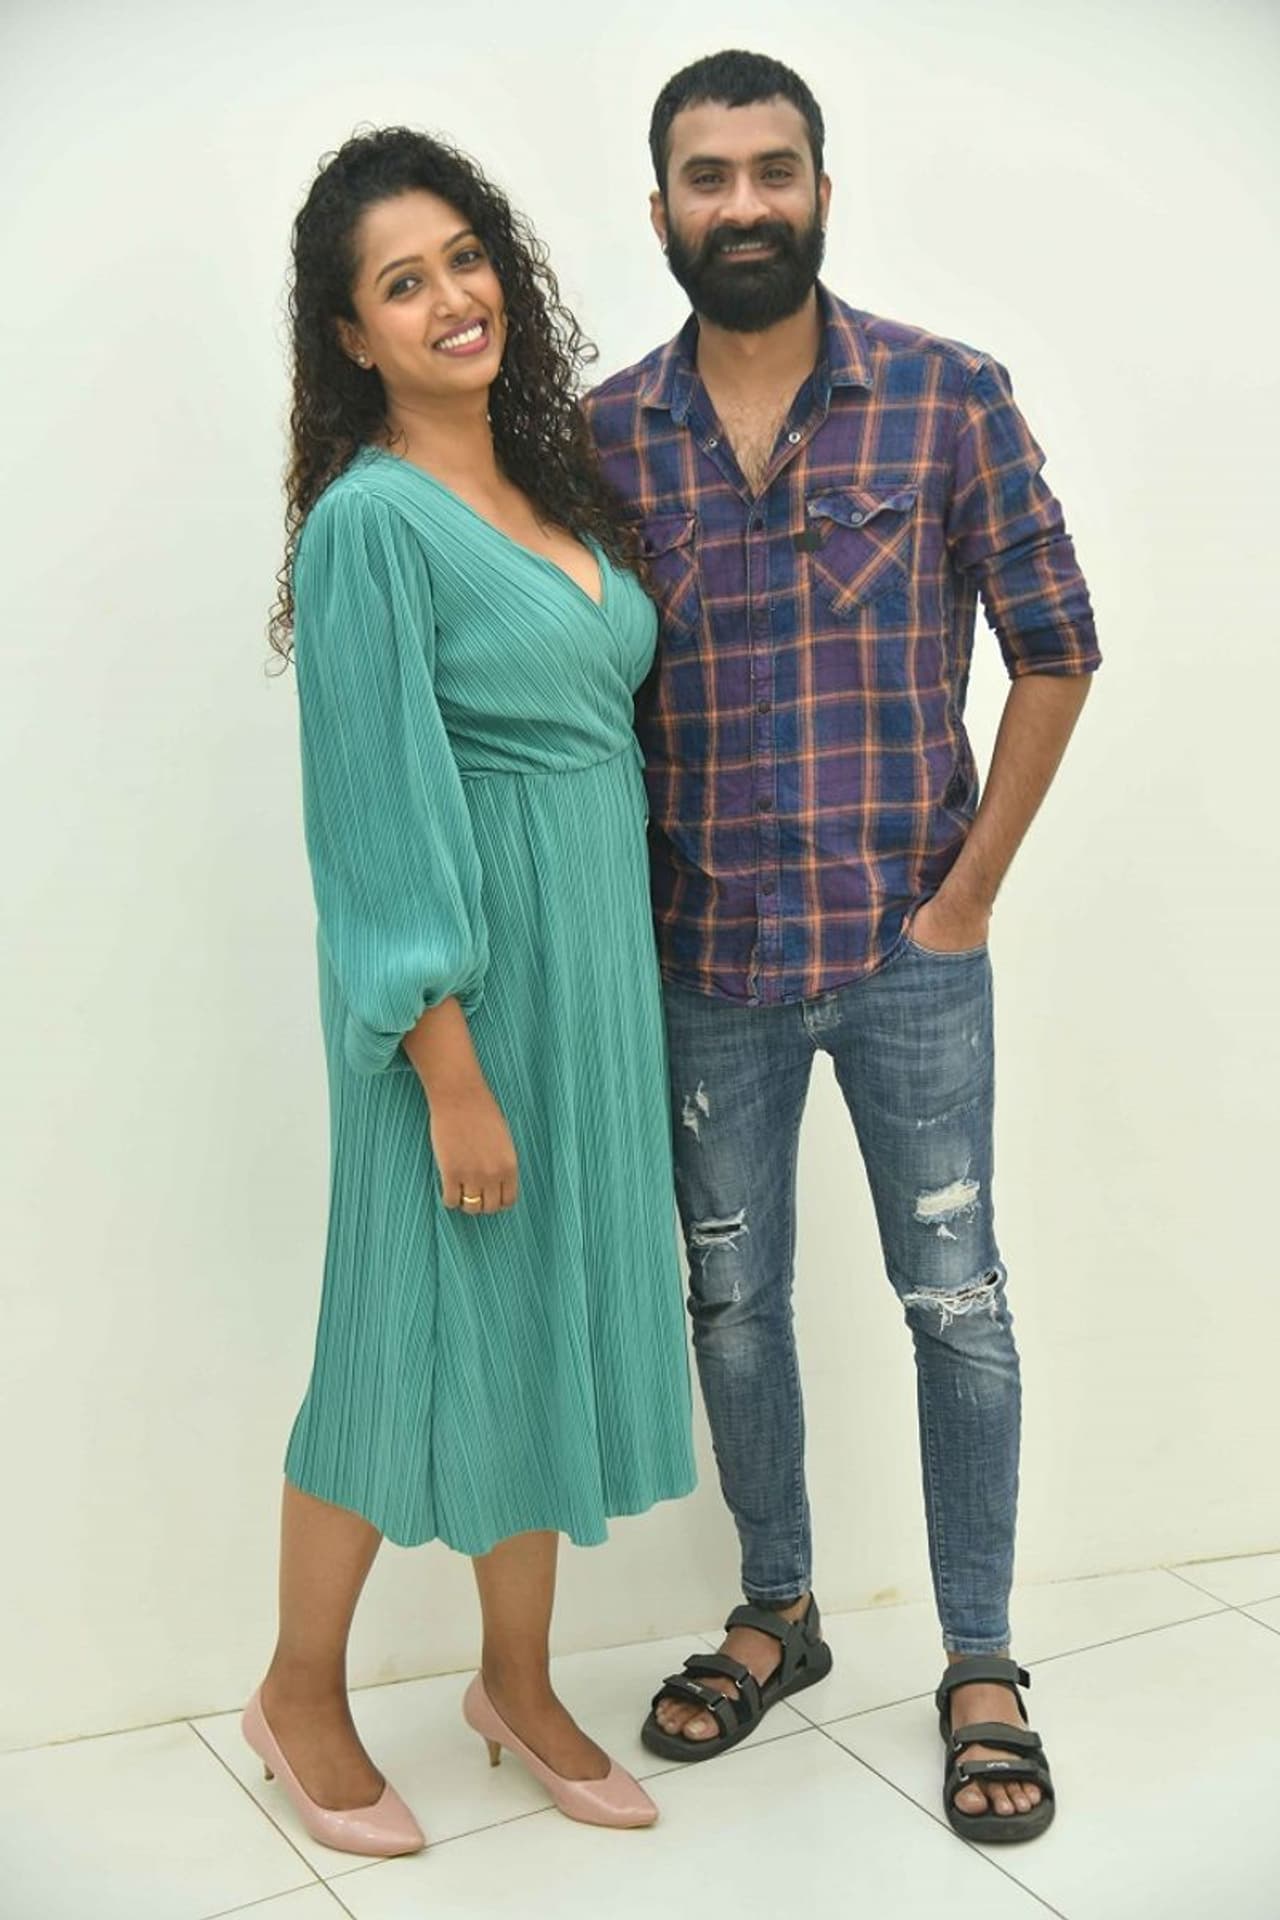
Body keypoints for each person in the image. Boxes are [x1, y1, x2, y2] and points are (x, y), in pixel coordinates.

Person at [585, 49, 1100, 1844]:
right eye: (708, 176)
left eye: (773, 169)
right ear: (662, 210)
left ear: (821, 188)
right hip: (702, 965)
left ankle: (980, 1660)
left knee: (957, 1303)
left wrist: (969, 897)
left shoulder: (947, 396)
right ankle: (779, 1611)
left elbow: (1056, 645)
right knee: (733, 1305)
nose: (744, 203)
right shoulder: (603, 439)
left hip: (908, 956)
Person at [244, 126, 695, 1858]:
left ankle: (515, 1681)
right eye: (401, 282)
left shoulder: (547, 484)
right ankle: (297, 1688)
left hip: (592, 975)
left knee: (544, 1321)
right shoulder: (371, 524)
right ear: (350, 335)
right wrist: (446, 1066)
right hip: (460, 1002)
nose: (451, 298)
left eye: (464, 257)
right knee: (392, 1338)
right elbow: (371, 808)